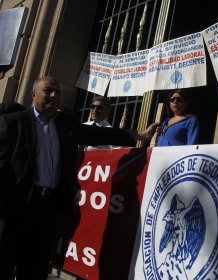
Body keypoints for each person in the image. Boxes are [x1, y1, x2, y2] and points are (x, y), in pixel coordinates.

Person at [0, 76, 158, 279]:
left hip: (49, 209)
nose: (54, 95)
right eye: (48, 90)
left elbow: (100, 135)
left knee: (36, 269)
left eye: (58, 91)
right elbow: (2, 173)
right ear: (34, 94)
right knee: (5, 263)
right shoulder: (12, 123)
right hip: (18, 209)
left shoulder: (66, 125)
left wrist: (139, 135)